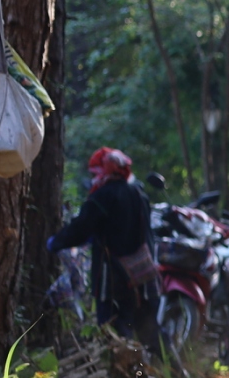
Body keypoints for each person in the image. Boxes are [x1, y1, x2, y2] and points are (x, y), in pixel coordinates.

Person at [49, 147, 163, 356]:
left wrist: (55, 242)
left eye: (95, 173)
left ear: (105, 172)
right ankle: (174, 377)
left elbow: (80, 229)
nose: (94, 178)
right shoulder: (139, 194)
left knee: (113, 332)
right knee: (149, 331)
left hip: (112, 279)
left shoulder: (103, 197)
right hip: (143, 277)